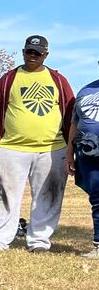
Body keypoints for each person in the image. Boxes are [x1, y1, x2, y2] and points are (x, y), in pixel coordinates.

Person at [0, 35, 74, 252]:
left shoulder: (58, 80)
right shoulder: (9, 79)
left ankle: (39, 242)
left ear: (46, 55)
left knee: (49, 196)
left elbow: (70, 111)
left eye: (37, 53)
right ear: (23, 52)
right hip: (11, 148)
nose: (32, 56)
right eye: (28, 52)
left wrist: (70, 146)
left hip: (52, 149)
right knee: (5, 196)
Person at [66, 75, 99, 258]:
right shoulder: (85, 91)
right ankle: (98, 245)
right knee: (97, 197)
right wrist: (69, 153)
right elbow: (75, 124)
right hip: (88, 151)